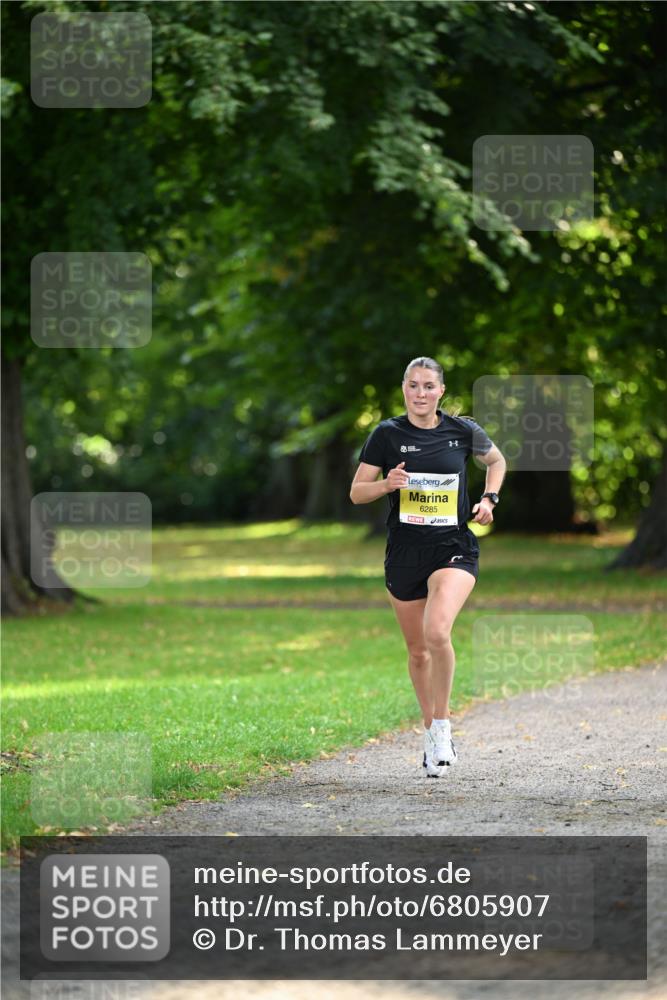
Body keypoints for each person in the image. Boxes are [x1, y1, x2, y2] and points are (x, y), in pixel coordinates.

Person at [349, 357, 506, 777]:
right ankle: (429, 729)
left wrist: (489, 500)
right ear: (404, 388)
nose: (420, 393)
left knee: (437, 631)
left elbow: (497, 461)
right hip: (404, 554)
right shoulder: (386, 434)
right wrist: (386, 484)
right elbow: (356, 493)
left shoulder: (463, 431)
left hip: (453, 548)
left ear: (441, 391)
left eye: (428, 386)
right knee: (418, 651)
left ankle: (442, 726)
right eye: (413, 385)